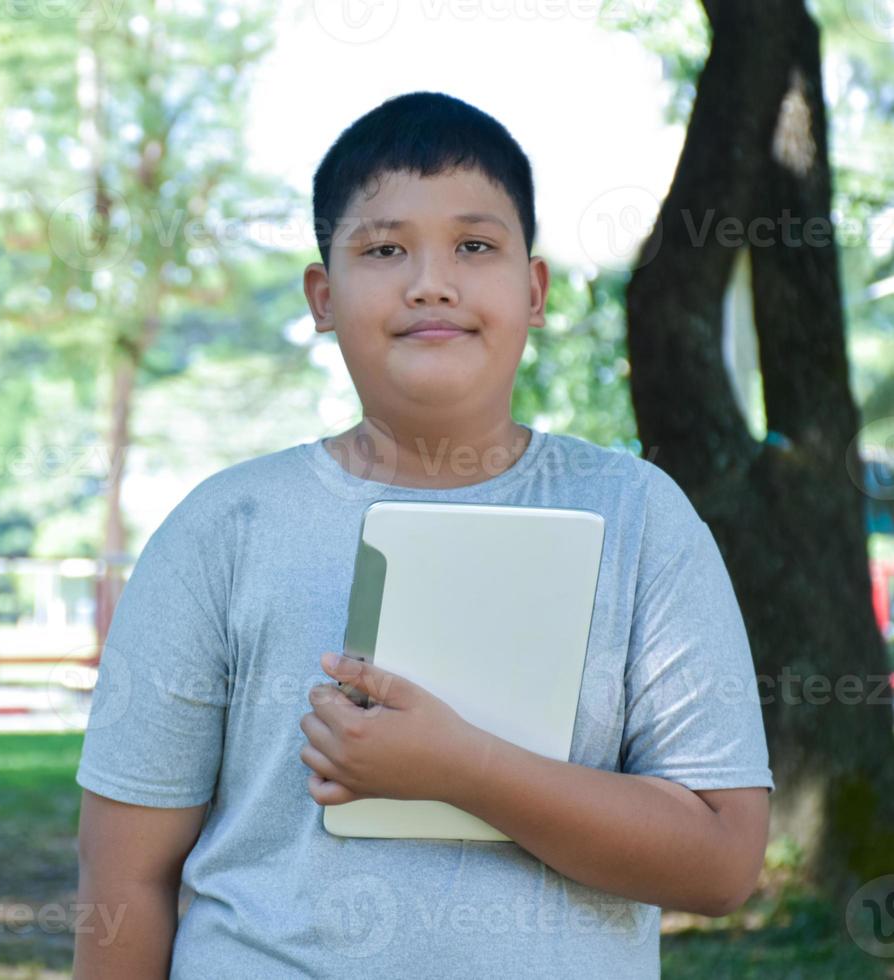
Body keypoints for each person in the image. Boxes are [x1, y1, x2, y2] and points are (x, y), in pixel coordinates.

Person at [72, 91, 773, 978]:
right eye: (384, 248)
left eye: (475, 246)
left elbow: (721, 860)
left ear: (535, 288)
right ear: (322, 297)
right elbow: (123, 877)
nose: (430, 281)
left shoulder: (639, 517)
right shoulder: (223, 529)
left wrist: (461, 767)